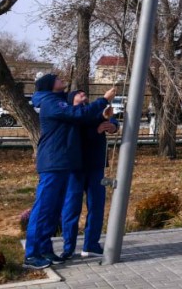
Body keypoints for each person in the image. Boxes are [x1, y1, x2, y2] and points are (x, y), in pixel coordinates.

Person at [23, 74, 115, 271]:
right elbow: (79, 115)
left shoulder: (56, 101)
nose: (61, 79)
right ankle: (31, 253)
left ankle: (45, 249)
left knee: (54, 209)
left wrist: (106, 117)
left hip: (63, 163)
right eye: (56, 79)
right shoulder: (50, 102)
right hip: (53, 162)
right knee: (43, 209)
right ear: (49, 85)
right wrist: (104, 99)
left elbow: (84, 115)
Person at [60, 90, 119, 259]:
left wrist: (113, 125)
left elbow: (108, 117)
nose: (84, 96)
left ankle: (91, 244)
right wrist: (97, 129)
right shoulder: (68, 114)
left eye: (86, 94)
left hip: (95, 165)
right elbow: (80, 130)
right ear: (72, 100)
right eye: (80, 95)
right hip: (75, 167)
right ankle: (68, 247)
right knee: (71, 208)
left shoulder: (93, 110)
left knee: (96, 205)